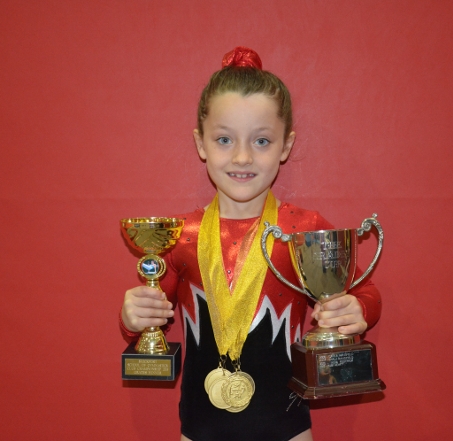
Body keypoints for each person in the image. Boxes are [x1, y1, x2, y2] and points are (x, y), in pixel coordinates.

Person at [120, 47, 382, 441]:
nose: (242, 157)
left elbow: (367, 292)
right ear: (201, 143)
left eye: (261, 141)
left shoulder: (302, 230)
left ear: (285, 147)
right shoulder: (180, 235)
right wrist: (134, 317)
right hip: (199, 431)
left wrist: (356, 309)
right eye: (224, 139)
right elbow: (147, 323)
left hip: (288, 430)